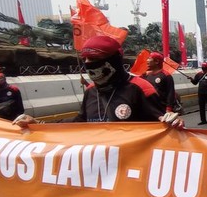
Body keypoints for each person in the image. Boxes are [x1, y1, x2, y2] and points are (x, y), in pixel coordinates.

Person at [13, 35, 183, 128]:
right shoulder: (91, 91)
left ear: (114, 60)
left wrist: (174, 123)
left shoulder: (140, 88)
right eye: (86, 60)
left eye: (95, 59)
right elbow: (79, 123)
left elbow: (161, 127)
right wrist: (38, 125)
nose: (89, 65)